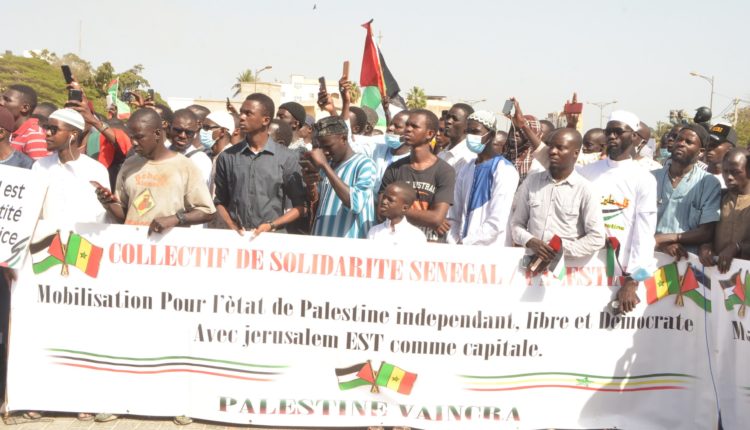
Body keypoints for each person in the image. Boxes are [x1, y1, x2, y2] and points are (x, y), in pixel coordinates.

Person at [578, 111, 657, 313]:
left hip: (621, 270)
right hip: (583, 266)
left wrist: (633, 281)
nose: (612, 136)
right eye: (608, 132)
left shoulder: (644, 178)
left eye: (618, 132)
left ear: (634, 136)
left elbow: (644, 232)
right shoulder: (588, 171)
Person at [98, 108, 215, 234]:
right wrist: (108, 203)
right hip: (133, 243)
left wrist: (176, 219)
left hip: (168, 244)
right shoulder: (129, 165)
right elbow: (126, 216)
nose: (134, 143)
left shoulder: (185, 166)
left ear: (157, 134)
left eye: (139, 137)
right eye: (131, 137)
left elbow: (207, 212)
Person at [511, 128, 605, 271]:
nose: (553, 151)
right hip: (531, 269)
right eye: (550, 146)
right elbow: (516, 225)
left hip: (568, 272)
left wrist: (557, 252)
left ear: (575, 153)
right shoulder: (532, 182)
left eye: (560, 148)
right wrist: (530, 241)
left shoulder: (585, 190)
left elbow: (597, 237)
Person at [379, 109, 455, 242]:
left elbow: (436, 218)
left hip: (429, 244)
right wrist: (429, 218)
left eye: (414, 126)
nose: (408, 129)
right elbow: (381, 212)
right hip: (397, 242)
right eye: (407, 125)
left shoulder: (445, 171)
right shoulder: (394, 168)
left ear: (430, 134)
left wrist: (395, 210)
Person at [447, 110, 518, 245]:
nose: (470, 136)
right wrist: (454, 240)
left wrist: (467, 243)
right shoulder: (466, 168)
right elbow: (454, 214)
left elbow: (497, 222)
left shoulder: (504, 170)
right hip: (462, 249)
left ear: (491, 135)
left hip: (491, 249)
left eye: (475, 132)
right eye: (468, 132)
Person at [652, 124, 720, 259]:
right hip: (651, 255)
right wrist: (661, 245)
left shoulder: (708, 183)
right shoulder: (651, 178)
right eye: (679, 139)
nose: (681, 144)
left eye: (688, 142)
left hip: (688, 260)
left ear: (701, 152)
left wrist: (662, 239)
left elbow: (706, 232)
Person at [303, 116, 376, 238]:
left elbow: (356, 204)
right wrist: (310, 184)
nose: (324, 152)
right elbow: (318, 203)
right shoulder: (327, 165)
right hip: (322, 240)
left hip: (349, 243)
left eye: (328, 146)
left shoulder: (364, 164)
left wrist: (325, 166)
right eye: (321, 147)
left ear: (343, 139)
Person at [33, 108, 109, 225]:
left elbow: (101, 216)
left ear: (73, 134)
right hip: (46, 235)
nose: (47, 133)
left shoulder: (96, 170)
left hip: (82, 235)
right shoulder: (40, 165)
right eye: (47, 128)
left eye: (54, 129)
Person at [699, 149, 750, 273]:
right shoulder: (717, 197)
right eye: (725, 171)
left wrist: (738, 247)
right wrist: (705, 247)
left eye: (736, 172)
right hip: (716, 273)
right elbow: (706, 231)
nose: (729, 177)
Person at [0, 84, 48, 159]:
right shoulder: (7, 130)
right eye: (1, 98)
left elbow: (38, 166)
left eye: (7, 100)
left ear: (25, 108)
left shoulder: (35, 136)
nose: (1, 102)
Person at [167, 109, 212, 186]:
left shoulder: (200, 160)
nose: (182, 136)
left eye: (188, 132)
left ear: (195, 133)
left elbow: (199, 191)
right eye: (178, 130)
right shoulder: (159, 153)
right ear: (169, 128)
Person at [504, 99, 544, 182]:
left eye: (521, 130)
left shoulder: (538, 161)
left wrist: (523, 124)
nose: (515, 133)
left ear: (533, 132)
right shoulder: (503, 156)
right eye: (513, 129)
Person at [439, 103, 475, 172]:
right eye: (448, 117)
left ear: (468, 125)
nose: (448, 121)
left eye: (455, 119)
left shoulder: (469, 157)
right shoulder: (441, 154)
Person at [705, 123, 738, 189]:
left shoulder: (733, 184)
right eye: (708, 142)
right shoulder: (693, 173)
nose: (709, 146)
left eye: (715, 144)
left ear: (730, 149)